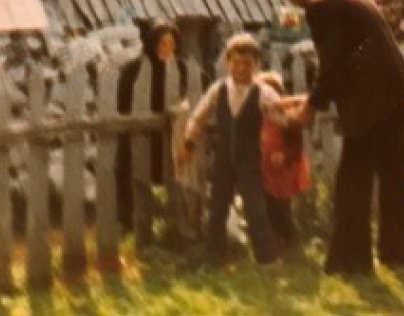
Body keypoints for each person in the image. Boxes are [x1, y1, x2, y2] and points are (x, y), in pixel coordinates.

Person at [274, 0, 404, 275]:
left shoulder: (320, 5)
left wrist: (310, 108)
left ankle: (351, 262)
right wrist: (313, 97)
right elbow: (352, 57)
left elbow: (334, 64)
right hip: (394, 91)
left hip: (372, 103)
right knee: (393, 175)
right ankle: (403, 253)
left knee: (352, 182)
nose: (292, 3)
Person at [178, 33, 294, 266]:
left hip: (250, 160)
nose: (241, 68)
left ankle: (267, 258)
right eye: (236, 63)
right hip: (223, 158)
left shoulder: (263, 93)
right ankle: (214, 257)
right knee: (218, 207)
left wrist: (287, 142)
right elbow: (197, 118)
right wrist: (188, 143)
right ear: (227, 62)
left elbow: (284, 120)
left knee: (256, 209)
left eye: (247, 64)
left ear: (256, 64)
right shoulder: (217, 89)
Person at [116, 20, 186, 232]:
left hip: (169, 135)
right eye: (162, 44)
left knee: (174, 179)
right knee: (135, 178)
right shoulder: (133, 70)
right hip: (139, 134)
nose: (166, 49)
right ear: (151, 44)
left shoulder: (180, 69)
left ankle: (174, 228)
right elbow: (123, 103)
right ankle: (133, 226)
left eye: (171, 44)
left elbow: (193, 93)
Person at [257, 71, 310, 246]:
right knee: (266, 202)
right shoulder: (259, 119)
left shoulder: (288, 119)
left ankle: (288, 236)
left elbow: (297, 146)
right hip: (264, 167)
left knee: (280, 203)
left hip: (283, 169)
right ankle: (272, 236)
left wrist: (286, 155)